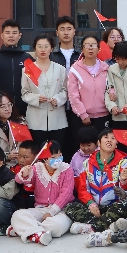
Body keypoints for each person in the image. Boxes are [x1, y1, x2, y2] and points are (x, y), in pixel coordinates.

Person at [66, 129, 127, 233]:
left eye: (113, 138)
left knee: (125, 206)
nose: (109, 140)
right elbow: (82, 189)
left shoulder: (124, 162)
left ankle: (92, 227)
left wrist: (124, 181)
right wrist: (91, 204)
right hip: (93, 206)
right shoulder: (87, 163)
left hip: (113, 205)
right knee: (70, 207)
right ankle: (106, 223)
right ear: (98, 143)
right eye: (106, 137)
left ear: (116, 144)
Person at [9, 140, 74, 245]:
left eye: (60, 155)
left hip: (62, 210)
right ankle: (38, 233)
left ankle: (24, 230)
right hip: (41, 209)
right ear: (44, 158)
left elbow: (66, 194)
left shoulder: (67, 169)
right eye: (53, 157)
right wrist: (24, 173)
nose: (58, 159)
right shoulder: (37, 168)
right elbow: (19, 180)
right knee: (17, 215)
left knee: (57, 226)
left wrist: (51, 212)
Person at [21, 34, 68, 149]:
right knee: (38, 151)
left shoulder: (60, 69)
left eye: (46, 46)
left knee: (55, 151)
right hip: (36, 119)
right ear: (35, 48)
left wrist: (58, 99)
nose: (43, 49)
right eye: (39, 46)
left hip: (57, 118)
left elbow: (65, 90)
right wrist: (37, 98)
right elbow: (25, 93)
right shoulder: (27, 69)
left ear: (51, 48)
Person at [0, 19, 33, 116]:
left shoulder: (27, 58)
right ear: (2, 35)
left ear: (19, 36)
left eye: (14, 33)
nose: (11, 36)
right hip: (1, 109)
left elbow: (34, 82)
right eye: (7, 33)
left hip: (24, 109)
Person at [51, 16, 82, 159]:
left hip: (79, 106)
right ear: (57, 32)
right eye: (62, 29)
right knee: (59, 143)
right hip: (57, 106)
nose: (66, 32)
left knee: (77, 142)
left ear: (74, 31)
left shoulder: (81, 55)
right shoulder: (52, 55)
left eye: (69, 29)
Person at [67, 34, 111, 130]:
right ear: (82, 49)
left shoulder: (106, 68)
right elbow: (73, 95)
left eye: (94, 45)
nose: (90, 48)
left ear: (99, 49)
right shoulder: (75, 69)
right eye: (87, 45)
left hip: (104, 116)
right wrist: (82, 114)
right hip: (81, 117)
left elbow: (111, 88)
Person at [11, 141, 38, 209]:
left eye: (25, 157)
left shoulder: (40, 170)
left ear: (36, 156)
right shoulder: (13, 169)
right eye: (19, 156)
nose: (21, 160)